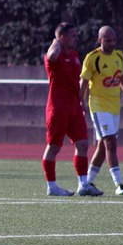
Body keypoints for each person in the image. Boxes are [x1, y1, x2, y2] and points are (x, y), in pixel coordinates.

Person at [79, 25, 123, 195]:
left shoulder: (118, 56)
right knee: (110, 143)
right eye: (108, 40)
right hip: (98, 106)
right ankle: (119, 184)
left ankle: (87, 183)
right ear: (100, 40)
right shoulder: (92, 57)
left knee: (102, 146)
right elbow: (83, 83)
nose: (112, 43)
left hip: (114, 107)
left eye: (114, 40)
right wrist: (81, 102)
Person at [42, 22, 103, 197]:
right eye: (72, 36)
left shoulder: (75, 56)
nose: (76, 38)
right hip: (58, 108)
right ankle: (52, 187)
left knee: (82, 144)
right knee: (54, 147)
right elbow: (52, 55)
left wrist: (81, 101)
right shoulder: (54, 55)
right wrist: (56, 40)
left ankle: (83, 184)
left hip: (74, 107)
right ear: (62, 38)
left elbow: (77, 82)